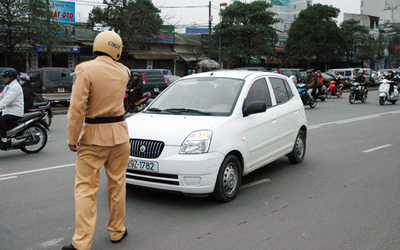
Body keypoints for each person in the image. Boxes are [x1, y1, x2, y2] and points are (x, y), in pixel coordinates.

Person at [63, 31, 130, 250]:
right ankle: (117, 231)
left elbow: (77, 108)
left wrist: (72, 138)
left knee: (85, 189)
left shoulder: (84, 69)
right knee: (117, 185)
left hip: (93, 136)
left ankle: (82, 243)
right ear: (116, 49)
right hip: (120, 136)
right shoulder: (124, 72)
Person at [0, 68, 24, 149]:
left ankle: (4, 139)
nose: (4, 79)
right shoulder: (8, 86)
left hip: (15, 112)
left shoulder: (15, 87)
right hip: (7, 110)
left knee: (1, 120)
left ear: (12, 77)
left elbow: (6, 101)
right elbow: (1, 97)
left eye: (5, 77)